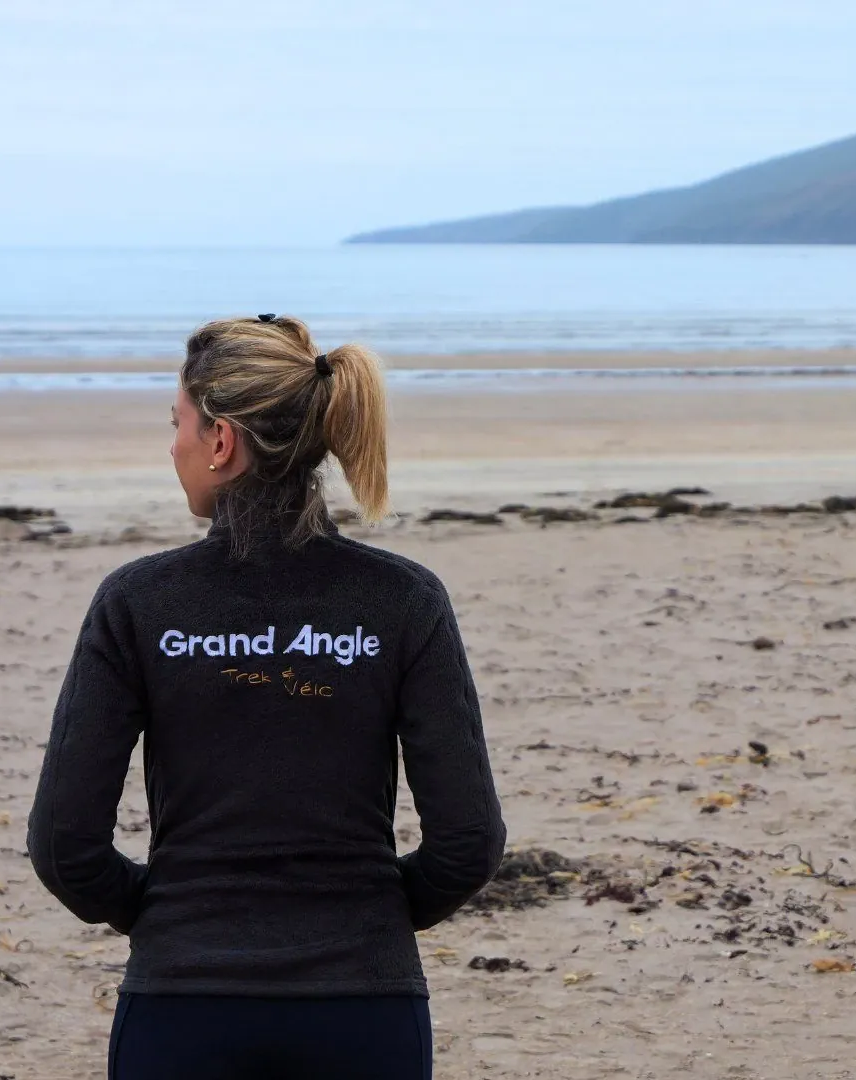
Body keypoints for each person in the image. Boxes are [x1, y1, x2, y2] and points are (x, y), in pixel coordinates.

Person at [28, 314, 506, 1080]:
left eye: (177, 422)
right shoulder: (404, 600)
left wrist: (164, 914)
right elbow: (468, 844)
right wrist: (368, 915)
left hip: (183, 1008)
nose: (173, 444)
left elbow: (64, 848)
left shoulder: (138, 603)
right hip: (365, 1011)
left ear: (221, 441)